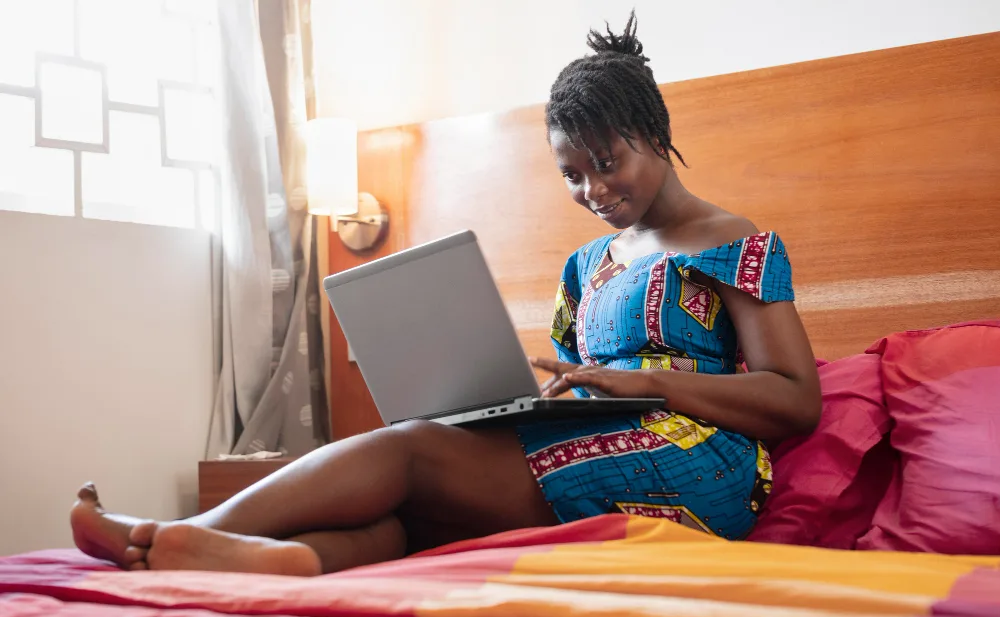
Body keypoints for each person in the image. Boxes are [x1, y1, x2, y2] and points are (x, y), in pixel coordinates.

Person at [70, 12, 820, 577]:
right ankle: (278, 561)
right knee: (412, 507)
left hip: (697, 463)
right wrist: (487, 392)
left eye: (606, 161)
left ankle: (172, 530)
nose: (592, 189)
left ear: (653, 132)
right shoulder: (584, 265)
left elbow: (796, 399)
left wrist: (648, 380)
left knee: (408, 455)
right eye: (571, 174)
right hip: (587, 438)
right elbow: (570, 385)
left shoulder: (733, 240)